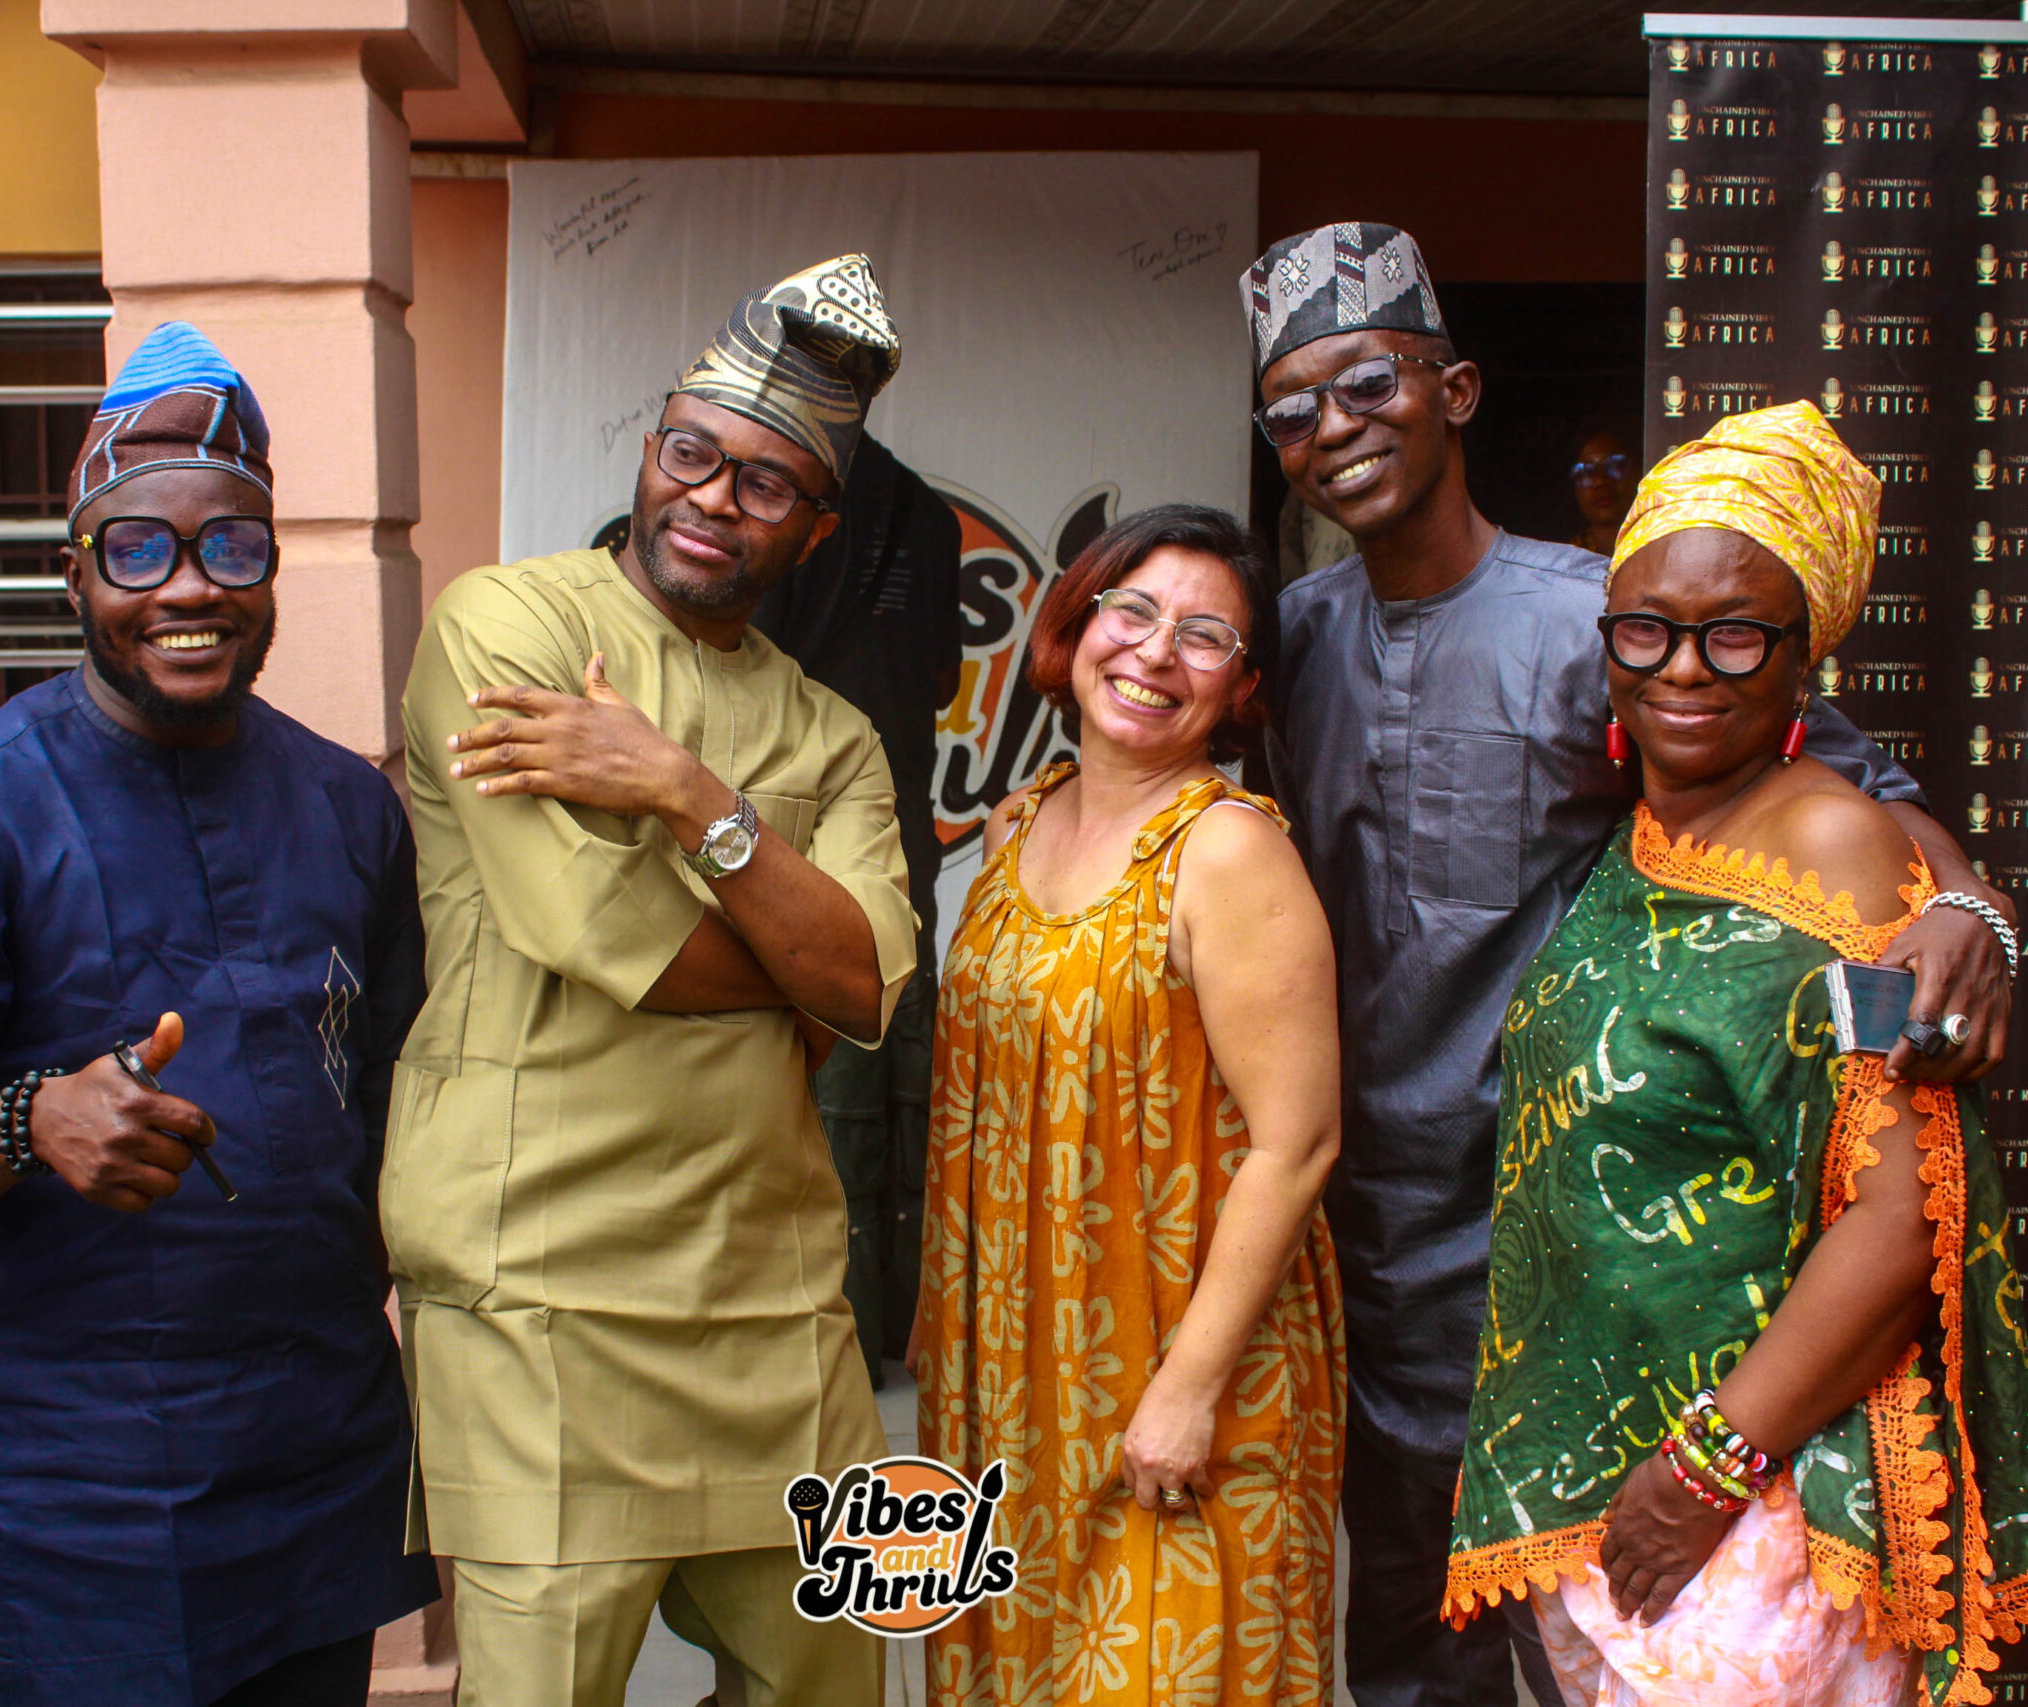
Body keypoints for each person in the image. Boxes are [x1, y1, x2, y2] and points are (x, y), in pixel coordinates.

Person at [1240, 223, 2019, 1706]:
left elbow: (1856, 791)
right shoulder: (1297, 636)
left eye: (1368, 385)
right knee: (1405, 1634)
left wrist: (1975, 913)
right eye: (1291, 410)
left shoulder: (1601, 623)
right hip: (1368, 1241)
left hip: (1572, 1233)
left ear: (1456, 391)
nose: (1332, 428)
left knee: (1621, 1637)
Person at [0, 322, 437, 1706]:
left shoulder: (349, 806)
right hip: (86, 1503)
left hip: (320, 1458)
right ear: (76, 570)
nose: (189, 587)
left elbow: (395, 1094)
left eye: (232, 548)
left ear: (271, 567)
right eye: (139, 549)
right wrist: (32, 1120)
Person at [1444, 403, 2028, 1706]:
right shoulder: (1650, 828)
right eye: (1646, 629)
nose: (1683, 668)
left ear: (1803, 656)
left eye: (1735, 634)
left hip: (1750, 1514)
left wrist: (1707, 1468)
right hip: (1624, 1505)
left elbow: (1902, 1212)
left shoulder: (1833, 842)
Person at [389, 255, 917, 1705]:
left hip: (773, 1300)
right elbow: (589, 923)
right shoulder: (510, 628)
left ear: (814, 528)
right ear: (649, 446)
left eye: (764, 481)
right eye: (691, 452)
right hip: (538, 1282)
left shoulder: (835, 735)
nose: (711, 498)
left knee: (829, 1685)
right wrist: (791, 948)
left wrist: (687, 794)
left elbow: (864, 989)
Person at [915, 504, 1344, 1704]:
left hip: (1181, 1361)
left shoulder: (1228, 853)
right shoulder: (1017, 823)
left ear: (1241, 686)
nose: (1156, 652)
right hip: (1016, 1366)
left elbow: (1298, 1143)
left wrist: (1187, 1390)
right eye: (1134, 611)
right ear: (1077, 623)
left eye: (1204, 636)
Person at [749, 429, 962, 1382]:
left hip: (789, 837)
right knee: (901, 1091)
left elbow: (745, 653)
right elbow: (946, 676)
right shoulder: (929, 513)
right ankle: (900, 1324)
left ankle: (837, 1338)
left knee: (824, 1102)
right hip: (898, 833)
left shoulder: (778, 499)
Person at [1567, 423, 1639, 558]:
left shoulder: (1658, 546)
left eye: (1615, 466)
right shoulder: (1566, 559)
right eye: (1586, 471)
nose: (1601, 481)